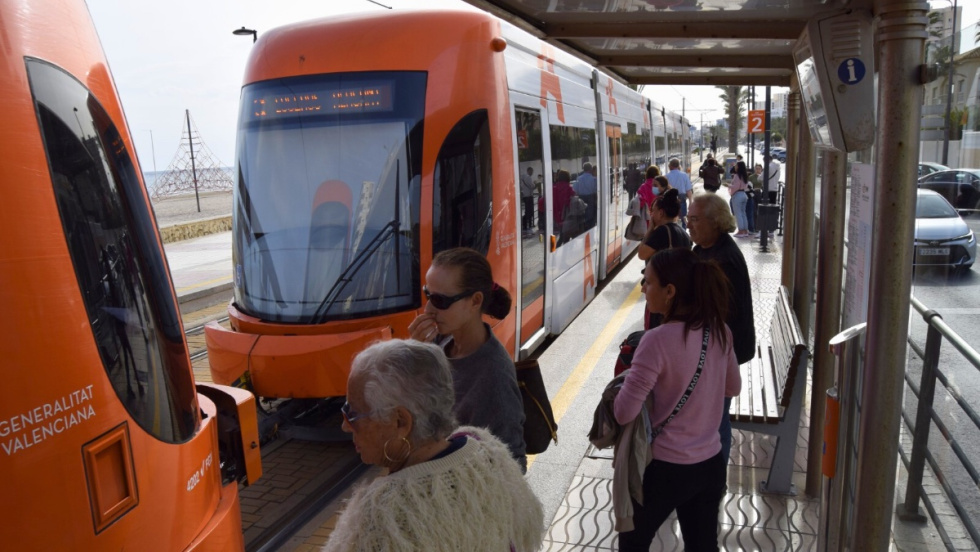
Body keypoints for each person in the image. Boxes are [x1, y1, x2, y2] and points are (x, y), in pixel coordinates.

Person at [325, 339, 544, 552]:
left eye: (351, 413)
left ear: (401, 421)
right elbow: (528, 528)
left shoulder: (383, 513)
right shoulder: (487, 449)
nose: (345, 426)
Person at [614, 248, 741, 551]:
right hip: (710, 463)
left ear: (669, 291)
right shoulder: (719, 331)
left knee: (633, 544)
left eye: (649, 282)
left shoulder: (655, 340)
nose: (644, 288)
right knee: (702, 545)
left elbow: (623, 413)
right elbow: (732, 387)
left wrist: (624, 385)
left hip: (665, 470)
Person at [408, 248, 527, 469]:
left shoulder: (494, 377)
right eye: (427, 294)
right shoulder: (440, 342)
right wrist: (415, 354)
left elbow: (513, 464)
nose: (428, 309)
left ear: (475, 301)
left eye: (440, 300)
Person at [687, 193, 756, 464]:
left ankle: (716, 476)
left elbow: (713, 313)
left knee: (717, 417)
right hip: (721, 345)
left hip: (725, 350)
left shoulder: (722, 260)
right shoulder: (705, 248)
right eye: (688, 218)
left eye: (694, 219)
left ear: (715, 222)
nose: (689, 224)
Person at [638, 188, 692, 330]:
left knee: (656, 330)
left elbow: (641, 253)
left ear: (661, 213)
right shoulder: (682, 232)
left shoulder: (661, 232)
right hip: (679, 294)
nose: (652, 214)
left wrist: (650, 230)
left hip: (661, 294)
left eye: (653, 211)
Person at [538, 169, 577, 234]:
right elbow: (574, 201)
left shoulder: (553, 189)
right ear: (568, 178)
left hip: (554, 219)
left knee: (557, 237)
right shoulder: (569, 189)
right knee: (564, 237)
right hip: (566, 218)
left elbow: (541, 202)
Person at [664, 158, 693, 228]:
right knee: (683, 219)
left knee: (671, 219)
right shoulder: (684, 175)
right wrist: (690, 202)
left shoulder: (666, 176)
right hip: (682, 198)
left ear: (670, 166)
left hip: (670, 199)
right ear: (678, 165)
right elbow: (688, 190)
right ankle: (682, 234)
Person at [728, 161, 750, 238]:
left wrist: (729, 185)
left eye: (736, 166)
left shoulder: (737, 176)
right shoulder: (745, 175)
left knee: (738, 214)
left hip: (737, 195)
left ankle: (740, 231)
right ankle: (745, 230)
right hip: (744, 194)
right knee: (743, 213)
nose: (735, 167)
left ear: (739, 167)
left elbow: (735, 186)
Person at [574, 162, 598, 227]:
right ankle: (590, 225)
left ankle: (584, 225)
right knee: (591, 214)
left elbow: (575, 190)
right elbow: (596, 189)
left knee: (582, 213)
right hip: (591, 197)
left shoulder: (579, 178)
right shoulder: (594, 179)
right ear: (590, 169)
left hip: (581, 197)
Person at [520, 166, 535, 235]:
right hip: (529, 196)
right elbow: (532, 186)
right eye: (531, 171)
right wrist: (535, 184)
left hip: (525, 196)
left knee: (527, 211)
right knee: (530, 211)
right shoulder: (528, 177)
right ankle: (528, 226)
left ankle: (525, 226)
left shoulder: (522, 178)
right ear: (528, 171)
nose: (532, 173)